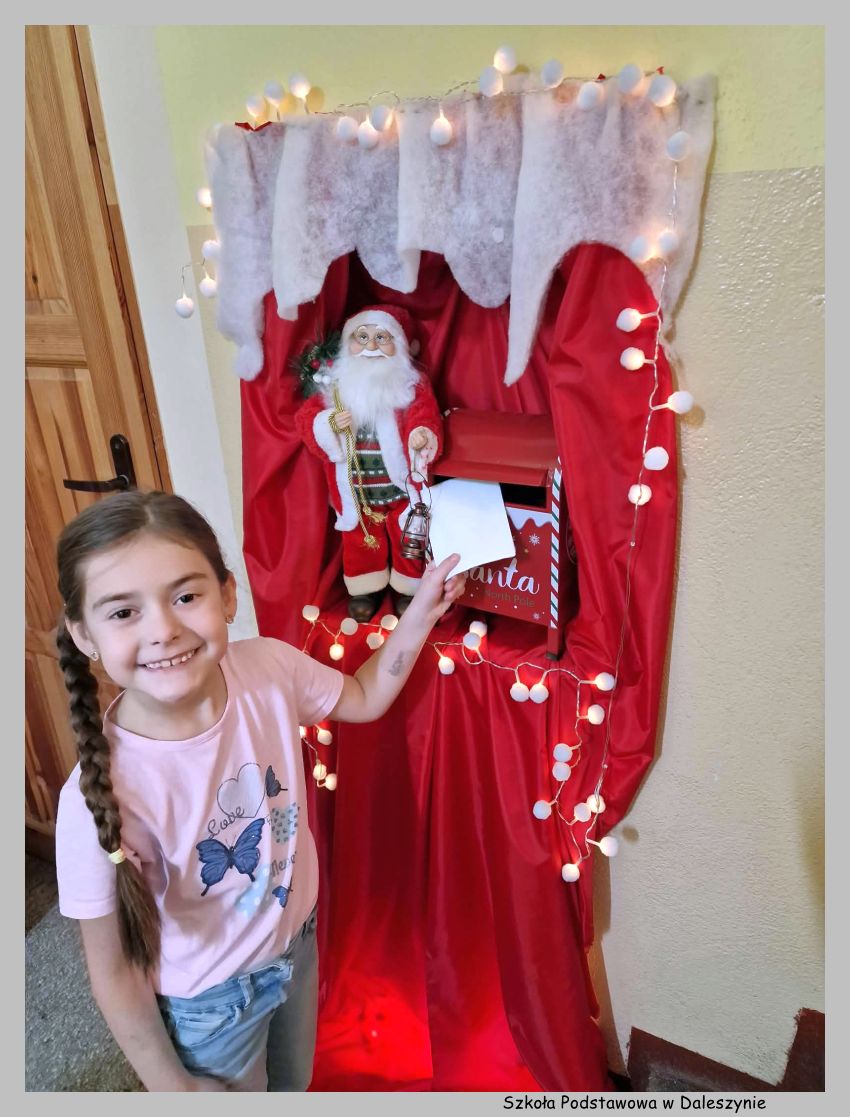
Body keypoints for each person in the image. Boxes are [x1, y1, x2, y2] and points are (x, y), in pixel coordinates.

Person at [53, 489, 465, 1092]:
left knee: (294, 1086)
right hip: (211, 1006)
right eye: (123, 613)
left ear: (227, 595)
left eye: (186, 596)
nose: (164, 630)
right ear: (84, 635)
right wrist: (174, 1089)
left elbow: (365, 696)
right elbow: (113, 972)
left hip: (297, 946)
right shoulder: (99, 797)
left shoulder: (269, 668)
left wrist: (422, 610)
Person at [295, 305, 443, 623]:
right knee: (359, 538)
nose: (371, 345)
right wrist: (328, 423)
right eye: (361, 337)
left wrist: (421, 434)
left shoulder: (410, 385)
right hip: (356, 491)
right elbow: (306, 421)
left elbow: (425, 414)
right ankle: (365, 588)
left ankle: (409, 587)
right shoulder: (333, 388)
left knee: (408, 535)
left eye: (381, 337)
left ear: (400, 345)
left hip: (401, 488)